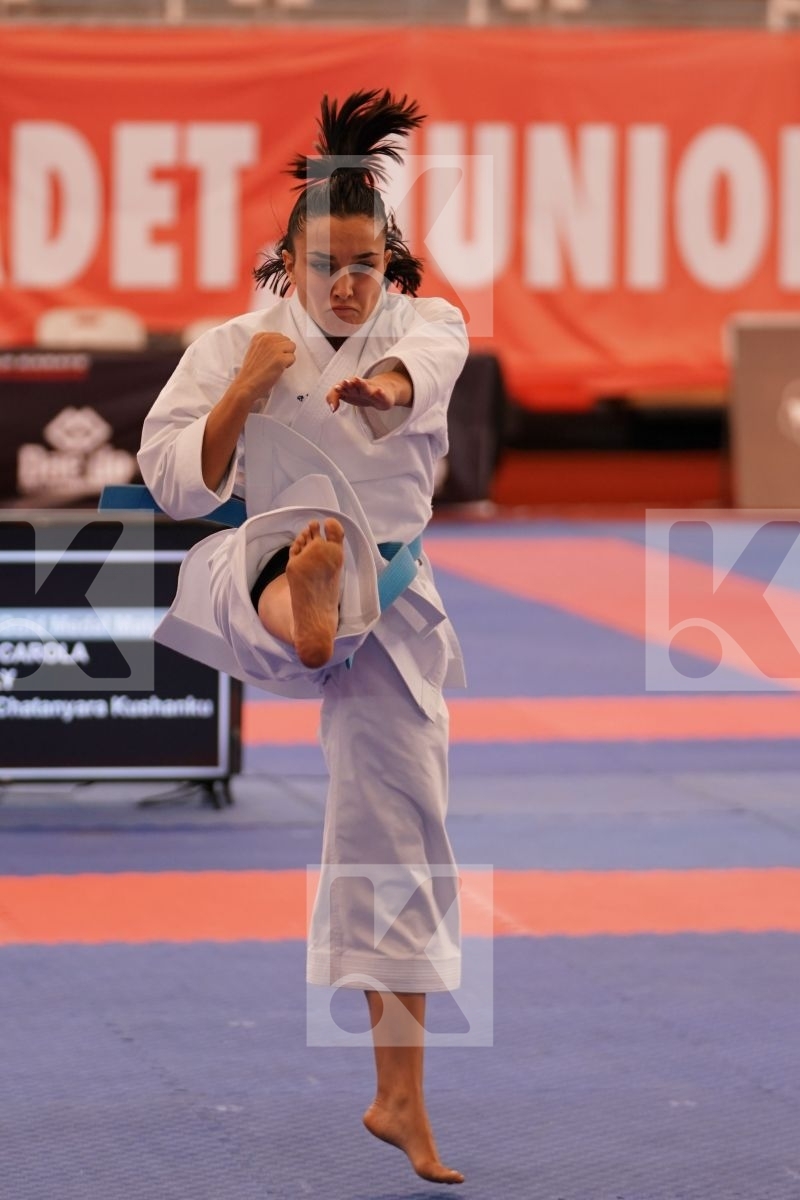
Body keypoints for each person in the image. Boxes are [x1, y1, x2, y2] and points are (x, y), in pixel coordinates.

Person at [138, 90, 468, 1186]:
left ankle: (397, 1096)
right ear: (286, 260)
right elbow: (176, 485)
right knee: (278, 551)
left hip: (391, 597)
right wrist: (241, 393)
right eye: (324, 263)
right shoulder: (233, 344)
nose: (344, 283)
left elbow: (417, 378)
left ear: (390, 264)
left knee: (401, 837)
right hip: (257, 577)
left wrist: (377, 383)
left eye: (365, 265)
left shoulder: (427, 325)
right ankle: (305, 606)